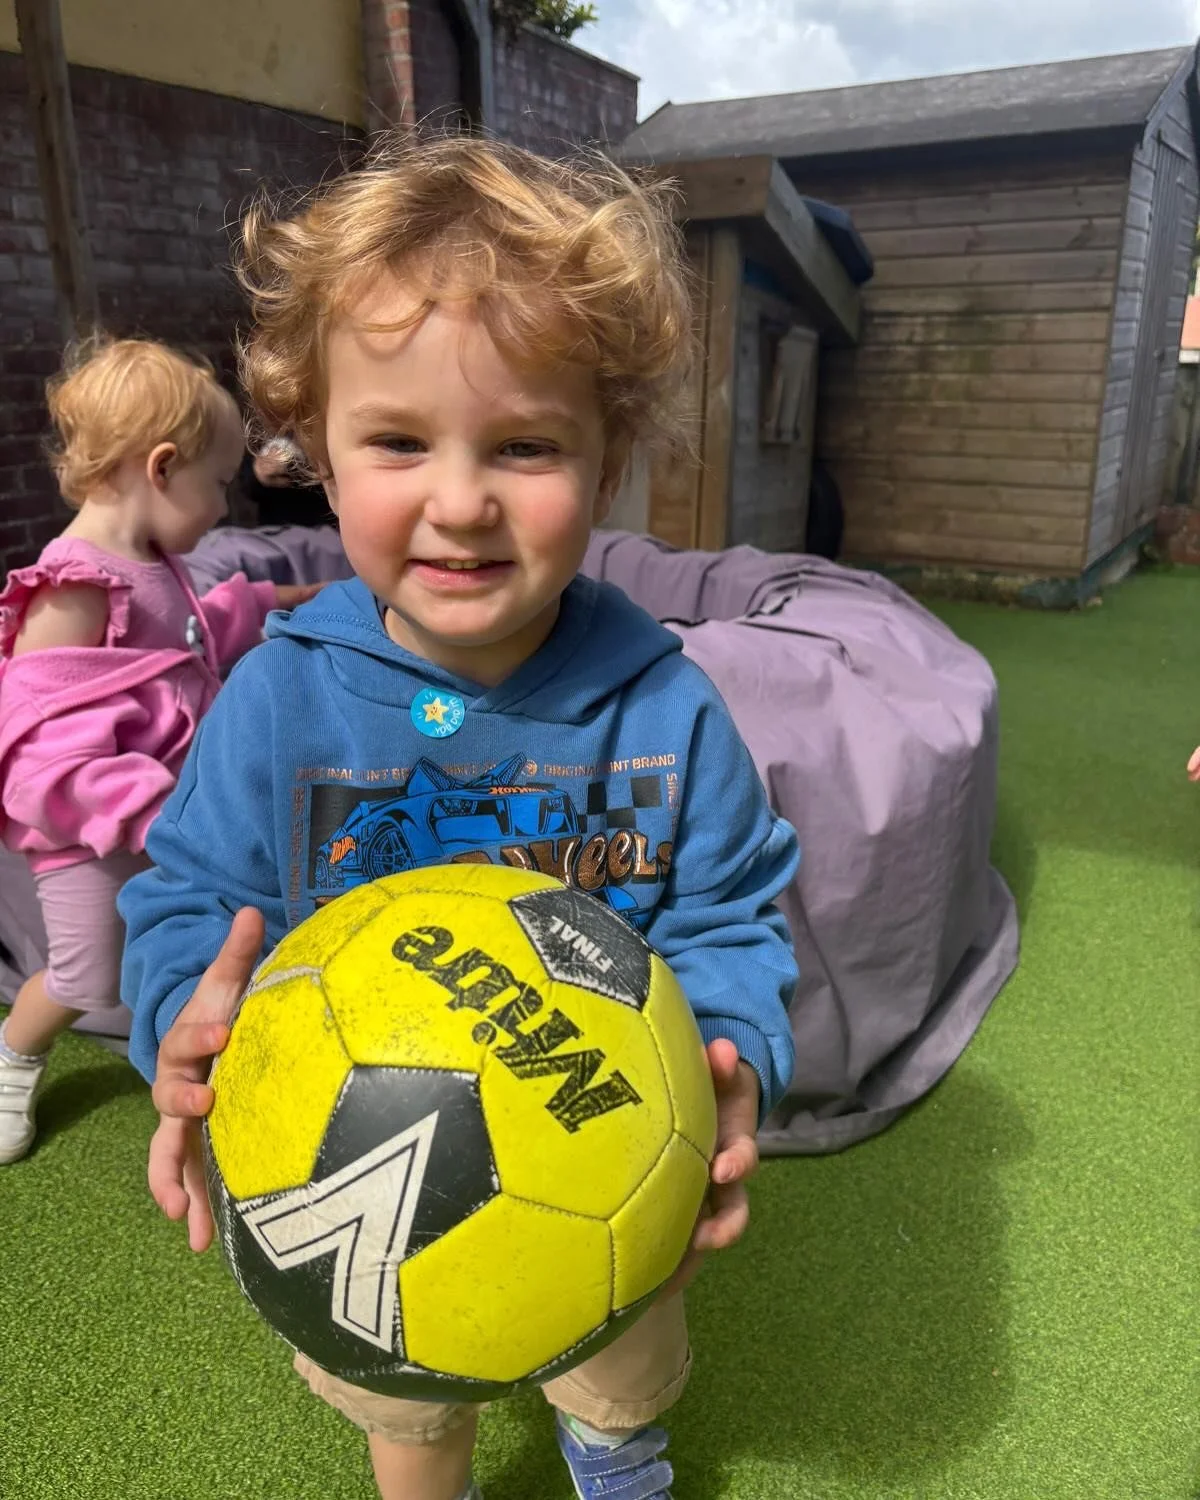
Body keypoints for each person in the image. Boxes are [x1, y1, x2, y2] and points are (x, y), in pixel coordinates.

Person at [118, 136, 800, 1500]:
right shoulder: (279, 703)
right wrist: (185, 1014)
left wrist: (732, 1055)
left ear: (609, 461)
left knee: (613, 1364)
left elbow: (731, 915)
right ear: (319, 457)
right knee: (407, 1405)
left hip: (605, 1161)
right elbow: (188, 897)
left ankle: (614, 1452)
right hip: (354, 1180)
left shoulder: (664, 709)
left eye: (526, 445)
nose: (462, 500)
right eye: (397, 441)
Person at [0, 337, 321, 1164]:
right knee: (85, 975)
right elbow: (40, 746)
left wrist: (293, 597)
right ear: (163, 468)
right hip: (90, 834)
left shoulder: (151, 562)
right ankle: (12, 1060)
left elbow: (195, 634)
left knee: (203, 938)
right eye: (217, 484)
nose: (222, 508)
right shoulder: (74, 586)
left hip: (166, 817)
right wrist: (155, 807)